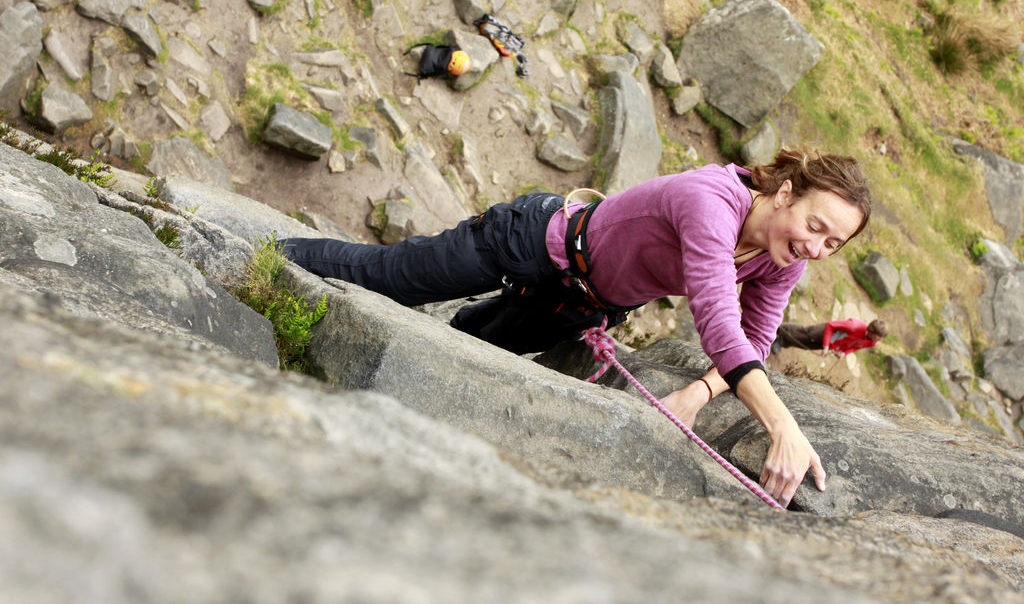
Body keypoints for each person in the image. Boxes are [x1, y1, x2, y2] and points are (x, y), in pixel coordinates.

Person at [279, 147, 872, 507]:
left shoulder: (780, 258)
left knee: (466, 349)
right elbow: (718, 318)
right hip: (532, 241)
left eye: (833, 243)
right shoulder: (711, 200)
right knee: (386, 278)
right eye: (816, 226)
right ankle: (250, 246)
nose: (817, 248)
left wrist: (697, 393)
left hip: (581, 305)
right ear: (786, 193)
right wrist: (781, 425)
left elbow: (756, 342)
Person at [774, 318, 888, 356]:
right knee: (806, 333)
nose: (879, 341)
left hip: (832, 345)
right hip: (825, 332)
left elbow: (855, 347)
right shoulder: (854, 325)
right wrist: (826, 345)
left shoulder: (872, 342)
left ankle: (782, 341)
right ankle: (779, 327)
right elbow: (831, 325)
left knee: (805, 344)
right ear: (872, 332)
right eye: (879, 337)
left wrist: (844, 353)